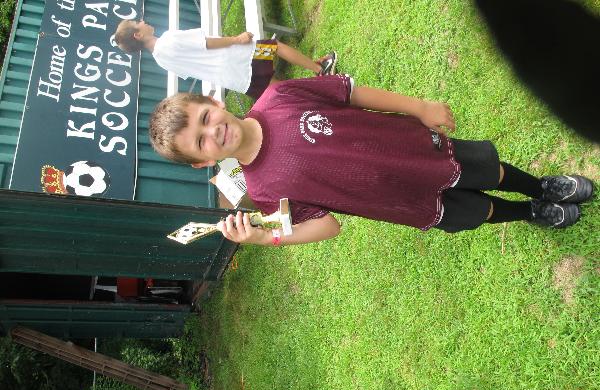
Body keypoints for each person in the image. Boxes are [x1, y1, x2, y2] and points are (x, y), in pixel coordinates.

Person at [148, 75, 594, 246]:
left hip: (413, 149)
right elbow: (327, 226)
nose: (213, 132)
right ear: (201, 164)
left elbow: (351, 95)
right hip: (402, 202)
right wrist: (265, 237)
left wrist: (419, 106)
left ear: (214, 102)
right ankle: (531, 212)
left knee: (489, 171)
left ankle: (541, 187)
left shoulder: (280, 96)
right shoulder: (263, 192)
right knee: (480, 211)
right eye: (201, 142)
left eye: (206, 118)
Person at [114, 19, 337, 100]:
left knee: (280, 88)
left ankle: (326, 93)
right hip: (238, 57)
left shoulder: (160, 60)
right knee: (275, 47)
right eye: (137, 23)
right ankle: (321, 69)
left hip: (233, 77)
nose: (142, 21)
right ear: (137, 35)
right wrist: (237, 39)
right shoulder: (168, 39)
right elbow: (206, 43)